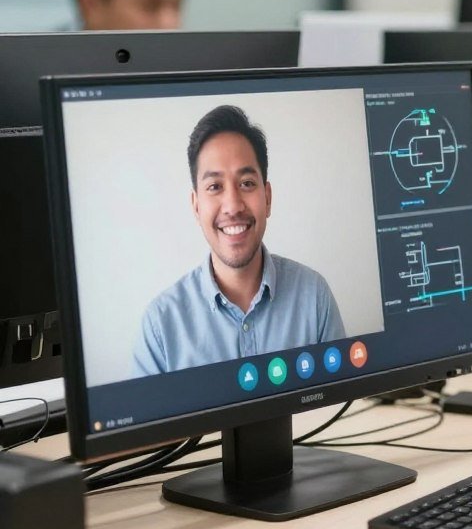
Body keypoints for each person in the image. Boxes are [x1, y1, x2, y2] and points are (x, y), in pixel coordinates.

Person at [132, 106, 345, 376]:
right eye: (215, 187)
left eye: (246, 183)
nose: (232, 206)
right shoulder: (159, 327)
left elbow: (338, 408)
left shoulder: (315, 297)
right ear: (196, 206)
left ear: (267, 198)